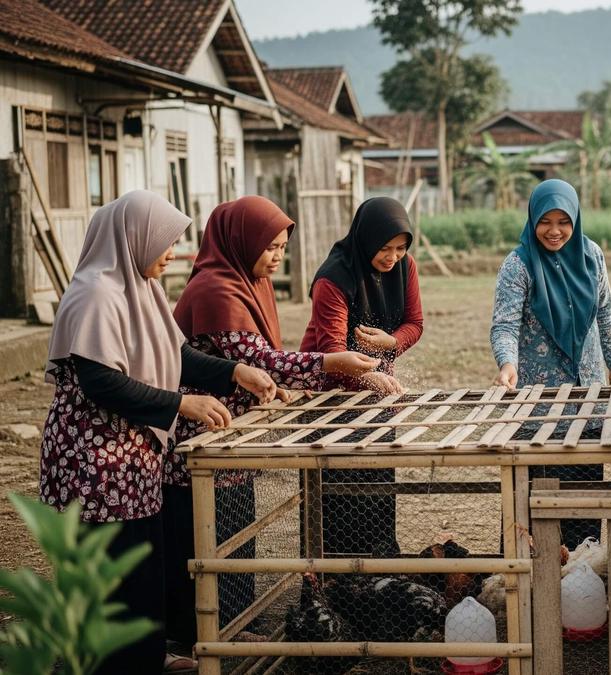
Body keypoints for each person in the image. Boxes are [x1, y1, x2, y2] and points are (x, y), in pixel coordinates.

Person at [39, 191, 277, 674]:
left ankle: (145, 655)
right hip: (94, 461)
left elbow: (176, 354)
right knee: (109, 563)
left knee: (142, 560)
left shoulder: (141, 288)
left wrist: (234, 372)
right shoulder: (95, 295)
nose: (172, 253)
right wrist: (180, 402)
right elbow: (100, 380)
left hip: (133, 457)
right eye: (166, 242)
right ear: (134, 238)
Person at [163, 196, 378, 644]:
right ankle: (205, 632)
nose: (278, 256)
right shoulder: (216, 290)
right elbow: (258, 358)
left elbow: (252, 367)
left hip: (233, 433)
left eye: (282, 246)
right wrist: (329, 362)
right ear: (241, 242)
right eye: (270, 247)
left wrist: (267, 387)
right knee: (209, 538)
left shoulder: (248, 283)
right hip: (202, 435)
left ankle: (238, 623)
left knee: (238, 531)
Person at [490, 179, 611, 547]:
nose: (554, 231)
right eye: (545, 221)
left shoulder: (592, 255)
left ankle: (582, 581)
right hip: (539, 405)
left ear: (575, 220)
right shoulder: (519, 264)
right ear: (532, 220)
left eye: (563, 221)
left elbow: (605, 315)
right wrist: (507, 363)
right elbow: (504, 324)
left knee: (584, 500)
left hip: (588, 397)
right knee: (531, 503)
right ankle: (523, 587)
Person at [301, 197, 424, 556]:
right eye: (384, 248)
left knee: (378, 480)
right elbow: (331, 348)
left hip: (376, 391)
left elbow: (414, 324)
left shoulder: (405, 268)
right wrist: (372, 378)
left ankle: (379, 566)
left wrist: (391, 343)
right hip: (330, 397)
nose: (393, 257)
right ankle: (335, 574)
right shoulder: (333, 278)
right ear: (365, 240)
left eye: (401, 248)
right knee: (337, 489)